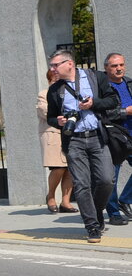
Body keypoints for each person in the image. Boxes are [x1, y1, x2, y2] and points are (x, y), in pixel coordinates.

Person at [45, 49, 118, 243]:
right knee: (82, 184)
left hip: (97, 137)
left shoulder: (96, 78)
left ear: (69, 63)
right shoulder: (55, 90)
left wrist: (94, 104)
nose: (52, 69)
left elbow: (113, 100)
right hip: (74, 141)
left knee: (106, 180)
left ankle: (95, 210)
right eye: (51, 65)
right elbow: (50, 117)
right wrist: (58, 121)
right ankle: (92, 225)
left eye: (55, 65)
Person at [37, 70, 76, 214]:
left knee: (71, 169)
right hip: (52, 134)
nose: (59, 80)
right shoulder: (44, 94)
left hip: (70, 134)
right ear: (50, 80)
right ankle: (51, 195)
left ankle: (65, 202)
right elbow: (45, 112)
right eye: (55, 78)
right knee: (58, 168)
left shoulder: (70, 92)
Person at [102, 53, 132, 225]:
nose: (119, 68)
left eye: (121, 64)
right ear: (106, 68)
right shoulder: (102, 87)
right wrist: (124, 112)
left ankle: (125, 199)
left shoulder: (128, 82)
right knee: (111, 177)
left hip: (131, 134)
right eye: (114, 66)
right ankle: (113, 213)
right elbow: (102, 113)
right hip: (114, 137)